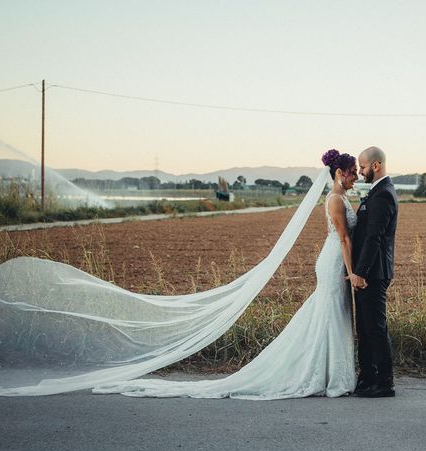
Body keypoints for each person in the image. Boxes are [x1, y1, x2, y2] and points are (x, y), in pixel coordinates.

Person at [92, 149, 359, 399]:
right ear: (339, 173)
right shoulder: (335, 199)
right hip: (333, 261)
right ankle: (328, 375)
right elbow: (344, 239)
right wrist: (351, 272)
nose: (355, 176)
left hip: (335, 258)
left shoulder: (343, 197)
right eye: (352, 171)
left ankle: (329, 372)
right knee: (331, 312)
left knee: (331, 312)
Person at [347, 147, 398, 398]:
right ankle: (367, 377)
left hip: (374, 273)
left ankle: (385, 382)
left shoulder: (383, 195)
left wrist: (360, 272)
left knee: (375, 327)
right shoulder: (376, 192)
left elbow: (374, 238)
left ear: (376, 165)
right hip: (368, 271)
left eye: (363, 167)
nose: (360, 172)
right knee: (365, 328)